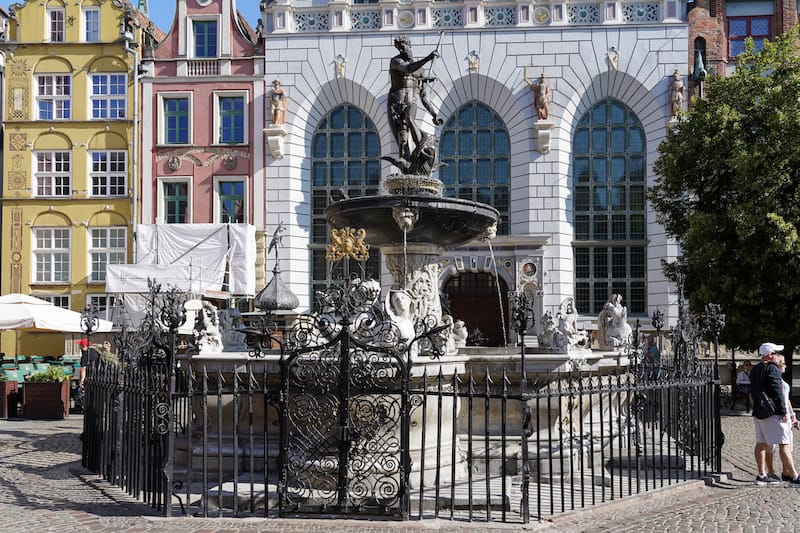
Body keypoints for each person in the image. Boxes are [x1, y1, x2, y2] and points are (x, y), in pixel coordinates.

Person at [750, 342, 798, 485]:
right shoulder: (772, 368)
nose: (777, 356)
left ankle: (762, 474)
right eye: (776, 353)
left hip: (759, 411)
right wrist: (783, 412)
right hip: (772, 413)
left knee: (761, 443)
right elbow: (777, 392)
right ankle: (794, 476)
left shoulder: (755, 369)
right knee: (784, 443)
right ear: (770, 355)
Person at [387, 35, 439, 160]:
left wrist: (433, 114)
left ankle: (421, 144)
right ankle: (408, 164)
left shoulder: (421, 71)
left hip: (411, 103)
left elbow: (424, 97)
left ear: (410, 46)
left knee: (409, 117)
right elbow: (407, 69)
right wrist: (428, 58)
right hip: (396, 105)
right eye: (401, 47)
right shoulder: (396, 62)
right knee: (402, 141)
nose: (404, 50)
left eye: (406, 46)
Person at [765, 355, 800, 483]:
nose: (785, 365)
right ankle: (771, 471)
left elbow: (786, 399)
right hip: (777, 415)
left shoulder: (782, 380)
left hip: (786, 416)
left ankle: (786, 472)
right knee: (772, 446)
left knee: (788, 444)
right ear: (778, 364)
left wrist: (793, 415)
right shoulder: (772, 379)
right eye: (783, 363)